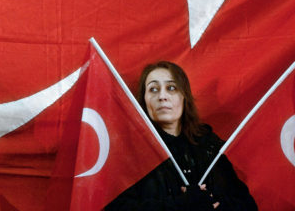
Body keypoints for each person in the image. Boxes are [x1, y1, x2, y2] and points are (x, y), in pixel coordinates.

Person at [105, 61, 257, 210]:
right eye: (153, 89)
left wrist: (213, 203)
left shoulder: (209, 145)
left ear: (184, 97)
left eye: (171, 88)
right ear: (144, 101)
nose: (162, 96)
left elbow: (247, 205)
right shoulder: (130, 153)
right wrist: (179, 205)